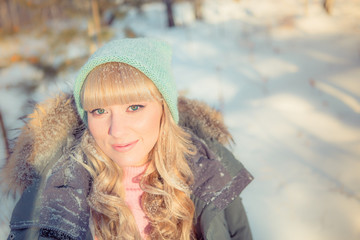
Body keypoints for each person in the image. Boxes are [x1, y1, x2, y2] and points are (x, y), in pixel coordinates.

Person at [1, 38, 253, 240]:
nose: (116, 130)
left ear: (164, 109)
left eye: (134, 107)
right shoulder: (54, 197)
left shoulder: (213, 171)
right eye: (99, 111)